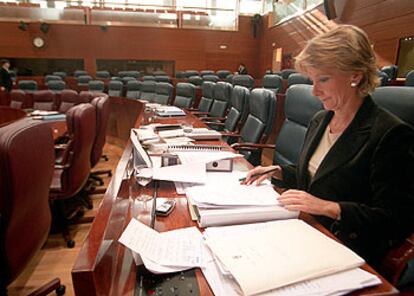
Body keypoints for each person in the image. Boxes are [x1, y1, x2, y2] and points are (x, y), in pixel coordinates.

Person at [242, 25, 414, 267]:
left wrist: (329, 208)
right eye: (312, 80)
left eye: (323, 79)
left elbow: (395, 219)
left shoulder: (390, 133)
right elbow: (317, 175)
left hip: (343, 246)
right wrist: (277, 172)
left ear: (355, 75)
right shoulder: (321, 119)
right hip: (304, 229)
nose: (314, 91)